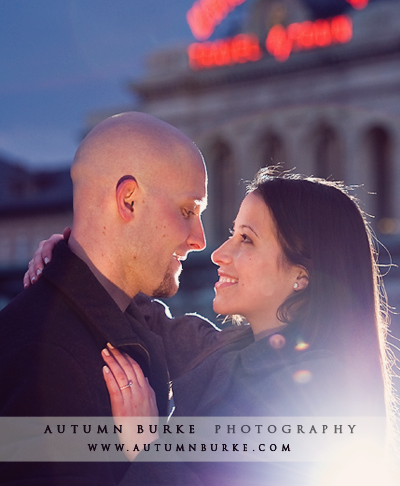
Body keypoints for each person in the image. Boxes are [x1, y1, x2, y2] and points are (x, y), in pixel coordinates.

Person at [28, 169, 396, 485]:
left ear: (302, 274)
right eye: (232, 233)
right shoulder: (221, 350)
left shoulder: (323, 396)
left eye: (246, 239)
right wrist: (71, 257)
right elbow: (142, 315)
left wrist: (147, 446)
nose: (219, 253)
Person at [0, 111, 212, 485]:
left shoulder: (105, 324)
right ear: (128, 200)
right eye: (187, 211)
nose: (200, 239)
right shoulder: (47, 354)